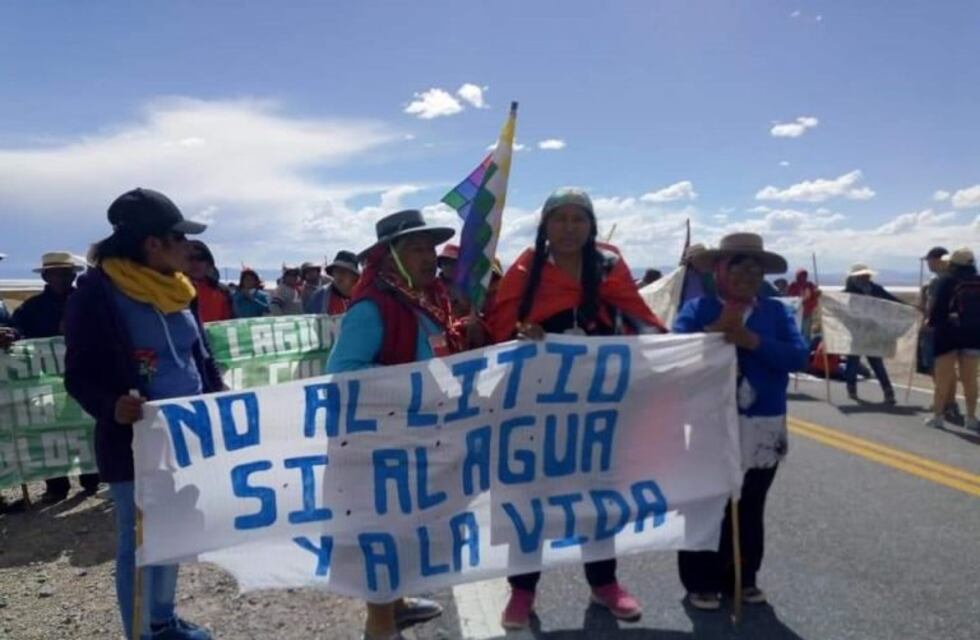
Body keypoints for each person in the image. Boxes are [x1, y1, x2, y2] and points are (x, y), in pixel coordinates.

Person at [488, 187, 665, 629]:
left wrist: (692, 352)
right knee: (529, 498)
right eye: (559, 219)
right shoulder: (527, 270)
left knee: (599, 496)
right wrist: (519, 334)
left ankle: (605, 584)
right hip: (537, 406)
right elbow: (497, 331)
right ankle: (522, 592)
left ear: (592, 226)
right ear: (545, 225)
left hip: (598, 406)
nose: (569, 228)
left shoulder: (609, 267)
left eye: (578, 219)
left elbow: (639, 321)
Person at [63, 187, 217, 640]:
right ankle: (140, 634)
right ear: (153, 243)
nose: (189, 247)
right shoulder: (96, 294)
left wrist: (219, 399)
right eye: (180, 237)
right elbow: (78, 374)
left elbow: (200, 357)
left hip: (186, 435)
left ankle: (162, 621)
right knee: (139, 541)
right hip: (133, 441)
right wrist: (112, 405)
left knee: (173, 531)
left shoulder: (180, 289)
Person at [326, 209, 458, 640]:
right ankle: (379, 626)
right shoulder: (374, 307)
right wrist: (409, 388)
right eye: (416, 249)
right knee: (380, 530)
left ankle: (397, 604)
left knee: (405, 526)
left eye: (430, 248)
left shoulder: (427, 301)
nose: (428, 258)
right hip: (378, 444)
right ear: (389, 258)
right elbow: (344, 372)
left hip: (416, 435)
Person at [672, 232, 808, 611]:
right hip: (708, 422)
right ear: (720, 269)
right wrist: (715, 332)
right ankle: (700, 580)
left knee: (750, 505)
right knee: (706, 501)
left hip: (762, 425)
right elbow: (674, 356)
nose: (748, 272)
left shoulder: (777, 312)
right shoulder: (698, 309)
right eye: (738, 264)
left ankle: (743, 578)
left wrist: (751, 341)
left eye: (755, 266)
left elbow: (798, 358)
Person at [10, 251, 101, 502]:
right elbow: (18, 331)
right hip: (47, 381)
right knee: (49, 430)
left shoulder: (89, 302)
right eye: (55, 273)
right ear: (46, 277)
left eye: (65, 272)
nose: (60, 277)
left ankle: (92, 478)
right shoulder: (31, 308)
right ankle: (57, 486)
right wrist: (11, 337)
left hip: (86, 376)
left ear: (73, 274)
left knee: (87, 425)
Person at [926, 248, 980, 431]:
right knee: (970, 379)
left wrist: (930, 323)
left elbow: (937, 311)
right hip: (973, 337)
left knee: (943, 378)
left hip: (947, 337)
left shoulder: (947, 281)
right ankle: (971, 417)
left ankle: (938, 416)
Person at [843, 264, 901, 404]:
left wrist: (912, 309)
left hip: (870, 332)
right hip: (858, 332)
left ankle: (887, 392)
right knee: (855, 363)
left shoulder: (874, 289)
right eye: (863, 275)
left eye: (867, 275)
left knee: (873, 363)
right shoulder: (850, 291)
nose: (866, 277)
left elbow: (892, 300)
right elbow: (836, 303)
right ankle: (853, 389)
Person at [918, 247, 961, 422]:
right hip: (954, 328)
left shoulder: (938, 281)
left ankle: (944, 403)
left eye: (929, 260)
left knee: (936, 368)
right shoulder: (956, 279)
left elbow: (932, 306)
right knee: (948, 369)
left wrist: (926, 321)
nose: (928, 263)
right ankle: (950, 403)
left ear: (937, 260)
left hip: (934, 329)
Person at [186, 240, 234, 323]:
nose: (195, 263)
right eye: (190, 258)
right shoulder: (172, 290)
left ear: (209, 263)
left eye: (200, 258)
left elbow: (230, 323)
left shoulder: (222, 291)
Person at [305, 251, 360, 315]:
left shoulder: (363, 295)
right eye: (336, 272)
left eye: (343, 272)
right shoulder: (320, 296)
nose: (338, 276)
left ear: (354, 276)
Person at [786, 269, 820, 341]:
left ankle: (806, 348)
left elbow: (815, 296)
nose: (803, 278)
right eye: (801, 276)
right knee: (797, 331)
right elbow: (789, 298)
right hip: (796, 313)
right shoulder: (793, 285)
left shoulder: (810, 285)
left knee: (806, 332)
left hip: (807, 313)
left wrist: (817, 292)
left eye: (804, 276)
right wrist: (801, 298)